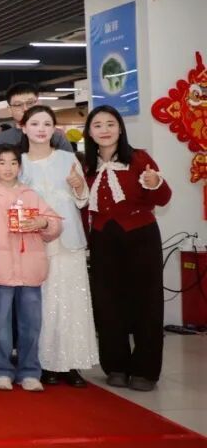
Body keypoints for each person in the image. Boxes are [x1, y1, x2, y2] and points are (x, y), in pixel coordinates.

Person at [0, 144, 62, 391]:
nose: (8, 168)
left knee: (31, 324)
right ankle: (1, 370)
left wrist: (43, 222)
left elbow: (55, 225)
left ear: (20, 166)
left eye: (13, 162)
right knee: (0, 324)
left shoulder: (31, 194)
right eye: (2, 162)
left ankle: (29, 372)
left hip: (30, 269)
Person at [83, 105, 171, 392]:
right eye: (98, 125)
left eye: (110, 124)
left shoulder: (139, 158)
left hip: (140, 236)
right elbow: (83, 205)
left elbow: (163, 198)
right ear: (89, 132)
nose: (105, 130)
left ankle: (145, 370)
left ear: (120, 128)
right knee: (107, 303)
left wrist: (155, 183)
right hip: (102, 239)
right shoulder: (86, 165)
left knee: (147, 303)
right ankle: (116, 366)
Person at [18, 105, 98, 387]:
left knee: (72, 302)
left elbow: (83, 200)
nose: (41, 129)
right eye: (34, 123)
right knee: (40, 303)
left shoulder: (67, 158)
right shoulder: (18, 163)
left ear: (55, 129)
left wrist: (78, 186)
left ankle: (72, 363)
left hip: (69, 240)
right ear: (23, 128)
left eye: (46, 124)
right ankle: (44, 363)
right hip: (33, 241)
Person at [0, 82, 73, 152]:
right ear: (9, 109)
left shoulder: (56, 137)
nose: (25, 108)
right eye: (18, 104)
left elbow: (71, 165)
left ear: (38, 104)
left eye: (30, 103)